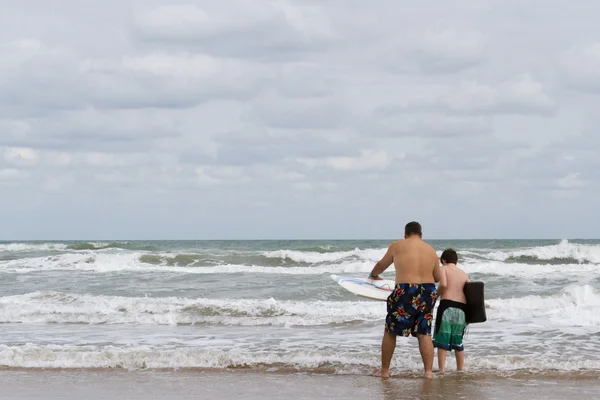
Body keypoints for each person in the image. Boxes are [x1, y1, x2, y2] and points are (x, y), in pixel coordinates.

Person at [368, 221, 443, 379]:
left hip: (405, 290)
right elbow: (437, 277)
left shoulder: (397, 246)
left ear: (405, 234)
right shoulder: (431, 250)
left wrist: (373, 275)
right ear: (421, 235)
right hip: (427, 291)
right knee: (424, 332)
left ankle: (385, 372)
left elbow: (382, 265)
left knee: (390, 331)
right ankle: (428, 373)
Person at [432, 248, 470, 373]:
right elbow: (470, 292)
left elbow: (443, 284)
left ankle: (442, 370)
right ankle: (460, 369)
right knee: (458, 342)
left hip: (447, 306)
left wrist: (435, 296)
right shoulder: (464, 274)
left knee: (442, 340)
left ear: (443, 260)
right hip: (462, 310)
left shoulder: (443, 268)